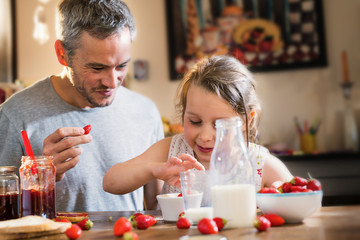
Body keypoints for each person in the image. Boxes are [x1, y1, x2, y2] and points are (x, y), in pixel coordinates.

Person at [0, 0, 164, 212]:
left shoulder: (146, 112)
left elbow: (157, 207)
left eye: (122, 66)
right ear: (62, 54)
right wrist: (40, 179)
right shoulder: (14, 116)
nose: (112, 82)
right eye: (97, 68)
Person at [103, 55, 293, 196]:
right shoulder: (171, 151)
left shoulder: (259, 164)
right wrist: (152, 170)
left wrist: (282, 198)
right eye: (194, 121)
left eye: (219, 125)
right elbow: (110, 182)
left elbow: (303, 201)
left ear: (245, 121)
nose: (205, 136)